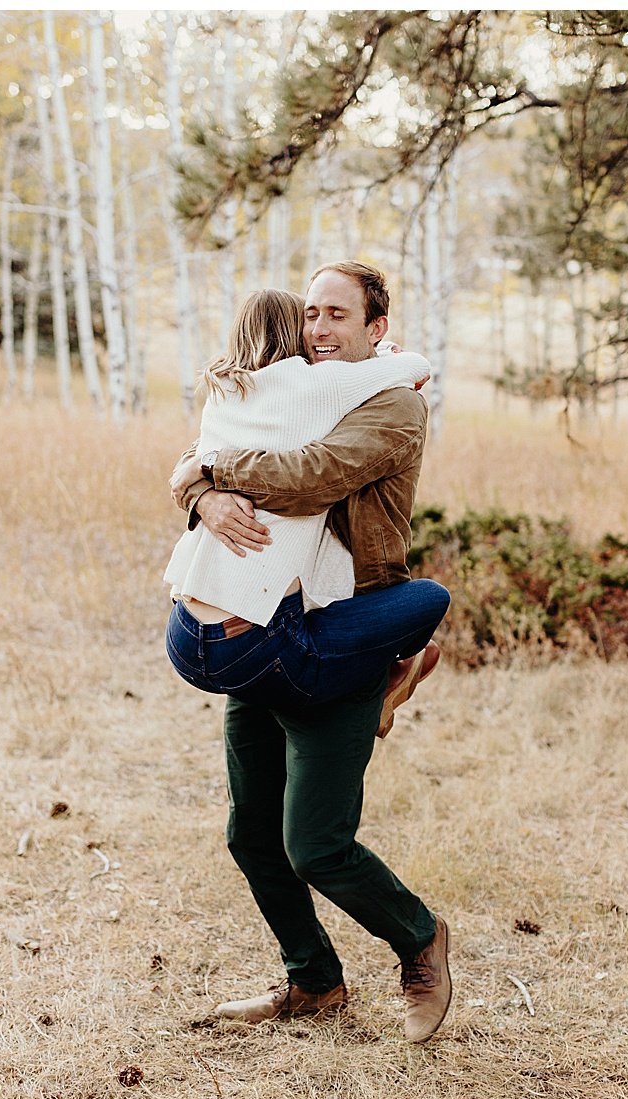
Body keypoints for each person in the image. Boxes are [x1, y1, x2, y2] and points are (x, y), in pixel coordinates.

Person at [169, 263, 452, 1045]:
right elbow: (207, 449)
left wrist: (209, 474)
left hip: (342, 635)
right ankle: (314, 982)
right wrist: (199, 491)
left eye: (338, 315)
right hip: (268, 629)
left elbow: (309, 477)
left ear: (375, 330)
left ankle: (420, 939)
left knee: (315, 844)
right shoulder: (288, 388)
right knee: (250, 834)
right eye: (312, 314)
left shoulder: (392, 404)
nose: (320, 329)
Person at [162, 288, 449, 731]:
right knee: (430, 598)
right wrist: (385, 350)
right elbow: (417, 368)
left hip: (182, 635)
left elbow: (200, 456)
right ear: (294, 333)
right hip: (253, 645)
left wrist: (199, 482)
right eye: (309, 318)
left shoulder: (221, 391)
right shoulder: (314, 386)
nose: (317, 330)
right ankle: (390, 678)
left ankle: (387, 675)